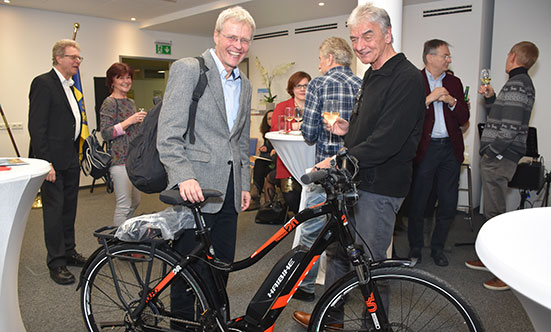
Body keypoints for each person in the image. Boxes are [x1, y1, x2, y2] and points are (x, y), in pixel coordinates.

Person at [293, 3, 425, 327]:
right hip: (356, 183)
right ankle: (332, 315)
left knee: (371, 268)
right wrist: (347, 130)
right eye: (354, 38)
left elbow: (388, 141)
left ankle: (374, 326)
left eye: (368, 35)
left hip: (380, 189)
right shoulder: (370, 74)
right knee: (338, 254)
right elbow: (370, 130)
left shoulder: (407, 78)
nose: (360, 45)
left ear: (388, 33)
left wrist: (338, 158)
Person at [156, 5, 255, 325]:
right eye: (232, 37)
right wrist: (183, 177)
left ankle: (210, 322)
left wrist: (244, 182)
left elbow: (239, 140)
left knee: (221, 265)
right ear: (216, 36)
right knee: (187, 271)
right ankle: (181, 325)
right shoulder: (189, 69)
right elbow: (168, 134)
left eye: (245, 40)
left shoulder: (246, 84)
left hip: (228, 191)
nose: (238, 45)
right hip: (194, 188)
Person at [465, 41, 538, 291]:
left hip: (500, 156)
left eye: (508, 54)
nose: (506, 58)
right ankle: (489, 259)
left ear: (514, 56)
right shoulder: (519, 83)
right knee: (492, 210)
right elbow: (504, 115)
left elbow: (511, 128)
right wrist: (492, 98)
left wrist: (490, 152)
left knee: (494, 214)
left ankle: (503, 273)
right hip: (501, 155)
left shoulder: (518, 84)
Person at [293, 37, 362, 302]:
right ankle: (345, 287)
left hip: (328, 171)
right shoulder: (362, 83)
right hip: (354, 170)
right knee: (348, 231)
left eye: (320, 59)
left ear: (330, 58)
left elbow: (310, 134)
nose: (319, 64)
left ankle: (305, 285)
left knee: (312, 229)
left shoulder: (318, 84)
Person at [28, 39, 87, 285]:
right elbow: (37, 127)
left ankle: (69, 251)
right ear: (58, 58)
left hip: (70, 159)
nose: (77, 61)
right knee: (53, 213)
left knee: (68, 210)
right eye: (73, 57)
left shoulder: (70, 86)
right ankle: (56, 262)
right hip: (52, 163)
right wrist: (46, 163)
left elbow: (73, 122)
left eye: (79, 58)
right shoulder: (43, 83)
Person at [407, 39, 469, 267]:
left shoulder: (454, 82)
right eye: (444, 55)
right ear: (430, 57)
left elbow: (464, 117)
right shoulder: (415, 80)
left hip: (449, 150)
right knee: (419, 201)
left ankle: (438, 248)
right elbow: (406, 115)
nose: (448, 60)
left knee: (448, 202)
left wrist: (451, 100)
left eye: (448, 56)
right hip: (425, 149)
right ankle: (415, 247)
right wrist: (429, 99)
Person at [99, 62, 146, 226]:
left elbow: (134, 132)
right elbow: (105, 133)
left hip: (133, 160)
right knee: (124, 205)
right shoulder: (109, 103)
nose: (126, 81)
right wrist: (129, 121)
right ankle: (118, 244)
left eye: (128, 77)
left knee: (135, 202)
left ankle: (127, 234)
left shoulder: (130, 102)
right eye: (121, 78)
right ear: (112, 81)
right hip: (119, 161)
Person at [270, 71, 312, 214]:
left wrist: (291, 125)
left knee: (313, 199)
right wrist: (299, 125)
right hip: (288, 160)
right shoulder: (282, 106)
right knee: (292, 198)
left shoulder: (315, 106)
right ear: (292, 89)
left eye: (306, 85)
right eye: (298, 86)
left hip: (311, 159)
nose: (302, 89)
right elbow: (275, 128)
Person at [250, 109, 275, 208]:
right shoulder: (267, 134)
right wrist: (264, 148)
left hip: (277, 162)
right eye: (269, 118)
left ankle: (256, 195)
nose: (271, 120)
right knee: (259, 162)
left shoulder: (280, 131)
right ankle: (256, 193)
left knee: (259, 165)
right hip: (268, 161)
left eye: (273, 118)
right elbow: (268, 148)